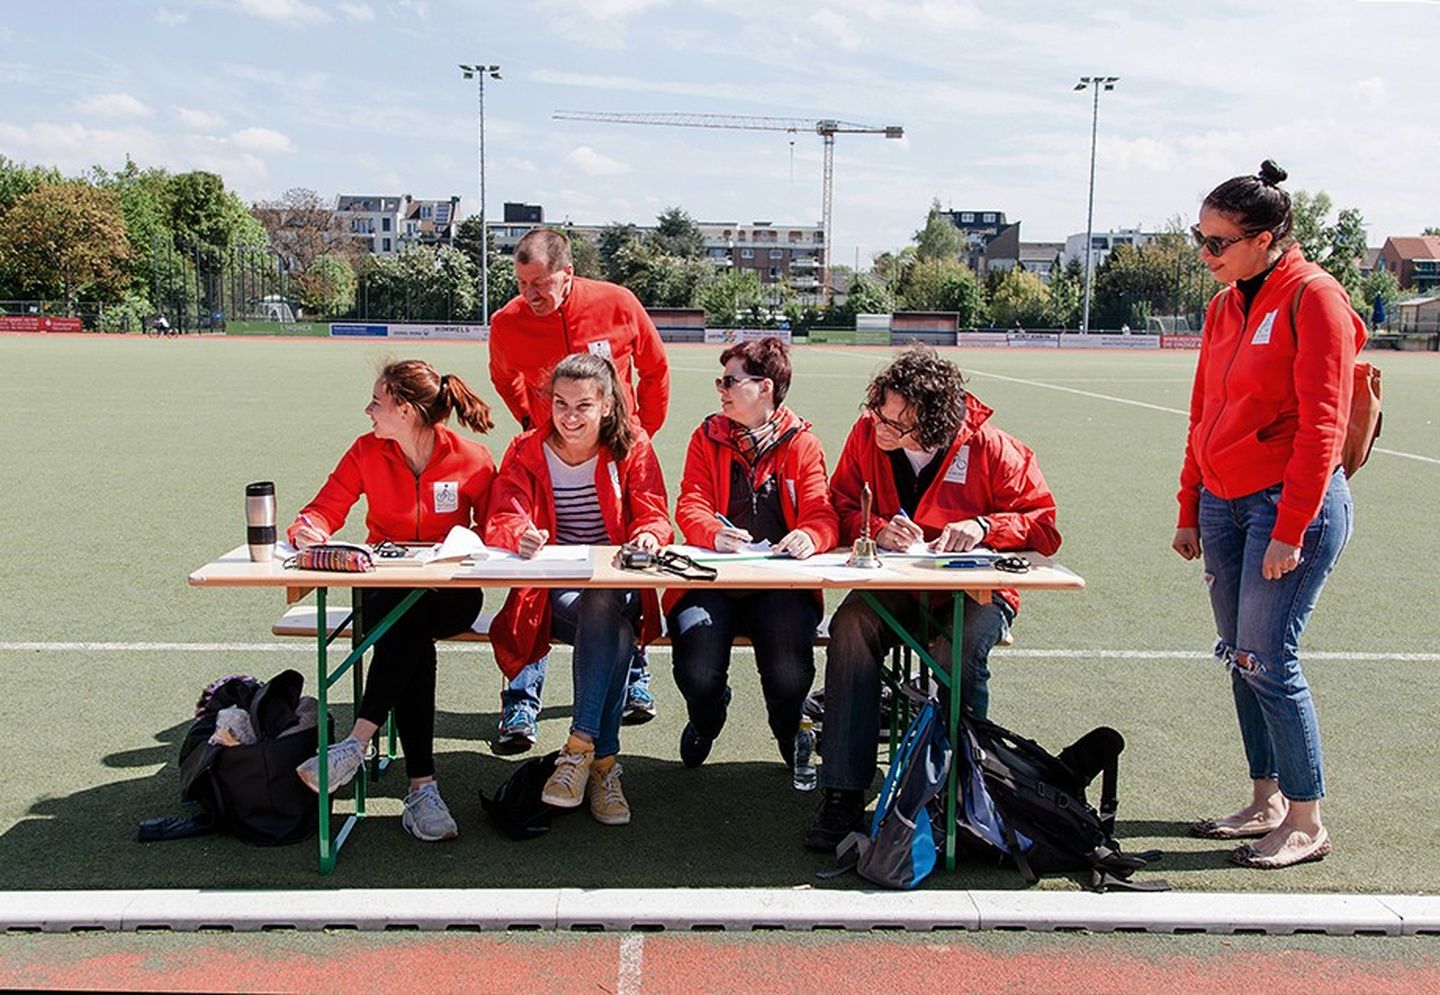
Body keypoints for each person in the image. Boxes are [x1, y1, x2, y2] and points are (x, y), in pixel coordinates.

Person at [1175, 160, 1363, 870]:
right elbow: (1203, 412)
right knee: (1240, 659)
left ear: (1267, 238)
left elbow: (1323, 423)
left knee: (1269, 657)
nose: (1205, 253)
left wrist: (1291, 526)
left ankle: (1307, 818)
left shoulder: (1315, 297)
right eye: (1201, 236)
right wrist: (1189, 503)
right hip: (1223, 504)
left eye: (1217, 242)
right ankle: (1266, 799)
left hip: (1290, 506)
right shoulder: (1225, 305)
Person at [804, 346, 1061, 852]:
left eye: (897, 422)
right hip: (896, 585)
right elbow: (838, 507)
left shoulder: (993, 448)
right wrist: (878, 531)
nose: (881, 426)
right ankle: (842, 792)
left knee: (959, 652)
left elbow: (1045, 527)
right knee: (851, 625)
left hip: (975, 591)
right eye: (878, 411)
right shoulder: (865, 435)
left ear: (937, 423)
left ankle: (963, 793)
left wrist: (985, 525)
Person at [289, 360, 496, 842]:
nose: (368, 411)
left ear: (404, 410)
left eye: (377, 403)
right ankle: (421, 789)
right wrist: (310, 528)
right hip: (384, 592)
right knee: (409, 631)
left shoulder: (473, 458)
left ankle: (356, 745)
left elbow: (496, 527)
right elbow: (325, 508)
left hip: (452, 595)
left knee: (409, 626)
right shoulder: (366, 451)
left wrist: (488, 538)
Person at [488, 228, 671, 744]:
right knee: (536, 586)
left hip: (617, 456)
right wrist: (535, 421)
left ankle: (630, 680)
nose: (531, 295)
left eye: (541, 283)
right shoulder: (508, 323)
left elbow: (655, 370)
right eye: (522, 284)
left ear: (568, 274)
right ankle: (529, 704)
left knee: (613, 581)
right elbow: (505, 379)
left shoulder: (618, 302)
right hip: (553, 460)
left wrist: (641, 435)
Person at [485, 353, 673, 825]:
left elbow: (653, 512)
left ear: (608, 405)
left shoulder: (633, 447)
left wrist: (648, 533)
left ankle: (576, 751)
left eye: (583, 405)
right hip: (556, 589)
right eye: (561, 403)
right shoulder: (527, 449)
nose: (570, 416)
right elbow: (503, 515)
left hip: (618, 584)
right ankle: (604, 765)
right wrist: (520, 533)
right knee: (614, 632)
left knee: (604, 596)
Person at [667, 337, 838, 769]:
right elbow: (690, 503)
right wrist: (711, 533)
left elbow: (823, 513)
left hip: (781, 586)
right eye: (720, 380)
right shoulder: (706, 437)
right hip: (711, 583)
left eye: (730, 380)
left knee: (788, 674)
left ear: (765, 387)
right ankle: (706, 718)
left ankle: (787, 729)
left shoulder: (803, 444)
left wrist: (810, 537)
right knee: (697, 671)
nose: (721, 389)